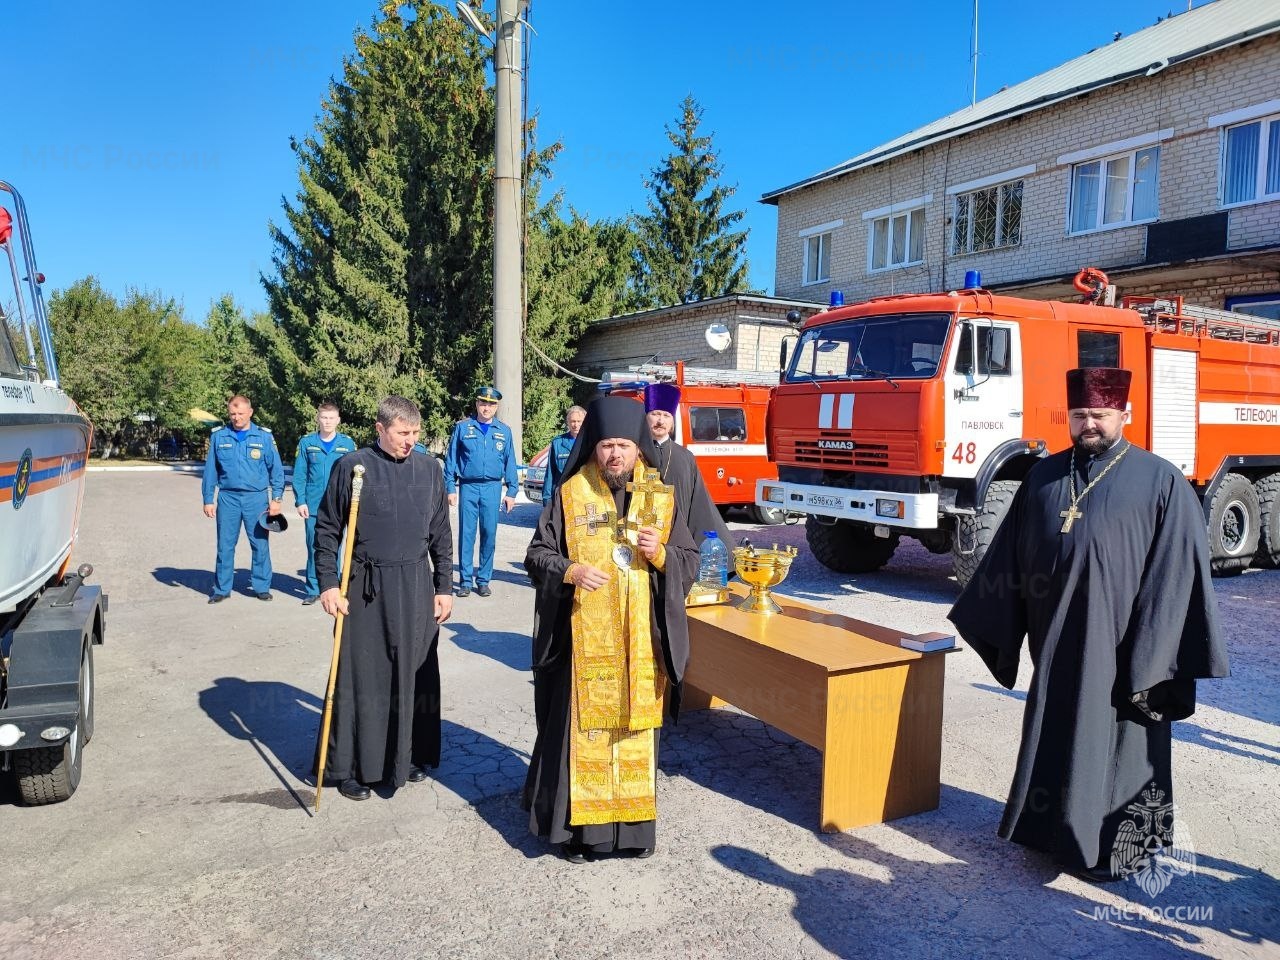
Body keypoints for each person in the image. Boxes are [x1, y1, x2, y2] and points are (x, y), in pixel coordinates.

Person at [948, 368, 1229, 884]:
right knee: (1058, 733)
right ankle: (1046, 831)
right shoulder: (1045, 476)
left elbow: (1178, 572)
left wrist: (1154, 651)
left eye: (1100, 415)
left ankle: (1115, 851)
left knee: (1121, 745)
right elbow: (1009, 554)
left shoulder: (1160, 480)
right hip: (1058, 640)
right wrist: (994, 617)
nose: (1089, 425)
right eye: (1079, 416)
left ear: (1126, 414)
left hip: (1125, 646)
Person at [524, 395, 699, 862]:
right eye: (606, 446)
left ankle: (635, 835)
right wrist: (571, 571)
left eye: (623, 445)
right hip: (584, 646)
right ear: (593, 448)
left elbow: (691, 561)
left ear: (639, 448)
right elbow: (536, 555)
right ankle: (585, 837)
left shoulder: (660, 498)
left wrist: (661, 554)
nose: (615, 454)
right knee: (586, 737)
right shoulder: (569, 494)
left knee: (634, 735)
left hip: (642, 646)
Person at [313, 396, 454, 801]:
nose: (410, 441)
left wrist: (444, 587)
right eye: (401, 433)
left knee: (411, 673)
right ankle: (355, 766)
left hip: (415, 583)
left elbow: (441, 534)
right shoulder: (353, 467)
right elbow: (327, 531)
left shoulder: (429, 469)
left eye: (415, 433)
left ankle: (405, 755)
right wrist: (327, 584)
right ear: (380, 429)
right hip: (365, 586)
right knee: (364, 676)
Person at [201, 395, 285, 603]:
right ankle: (221, 589)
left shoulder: (264, 437)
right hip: (228, 498)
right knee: (225, 545)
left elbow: (276, 470)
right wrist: (208, 498)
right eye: (232, 414)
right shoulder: (219, 437)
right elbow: (210, 470)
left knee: (259, 544)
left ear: (250, 412)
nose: (236, 418)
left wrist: (276, 498)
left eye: (240, 413)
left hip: (256, 499)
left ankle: (261, 586)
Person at [444, 385, 518, 598]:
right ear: (477, 404)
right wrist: (451, 487)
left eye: (491, 404)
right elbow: (452, 459)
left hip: (492, 488)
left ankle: (484, 580)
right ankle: (465, 581)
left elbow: (510, 461)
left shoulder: (504, 431)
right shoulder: (463, 428)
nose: (487, 407)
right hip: (468, 487)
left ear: (496, 407)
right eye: (483, 403)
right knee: (467, 534)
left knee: (489, 534)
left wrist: (512, 491)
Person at [644, 382, 733, 546]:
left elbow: (699, 504)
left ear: (672, 422)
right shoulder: (633, 452)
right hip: (642, 531)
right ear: (646, 417)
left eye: (666, 416)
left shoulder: (685, 457)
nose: (660, 420)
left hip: (676, 536)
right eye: (656, 414)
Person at [292, 402, 356, 605]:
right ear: (318, 419)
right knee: (314, 546)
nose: (327, 422)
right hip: (314, 503)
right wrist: (300, 501)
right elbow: (299, 474)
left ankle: (334, 585)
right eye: (324, 418)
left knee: (337, 545)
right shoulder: (307, 443)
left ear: (338, 420)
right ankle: (313, 588)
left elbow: (356, 474)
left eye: (331, 418)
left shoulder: (347, 444)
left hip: (340, 503)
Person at [542, 404, 586, 500]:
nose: (576, 425)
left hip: (584, 495)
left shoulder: (591, 442)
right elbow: (550, 473)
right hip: (563, 495)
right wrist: (547, 499)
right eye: (573, 421)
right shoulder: (558, 443)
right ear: (568, 422)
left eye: (579, 421)